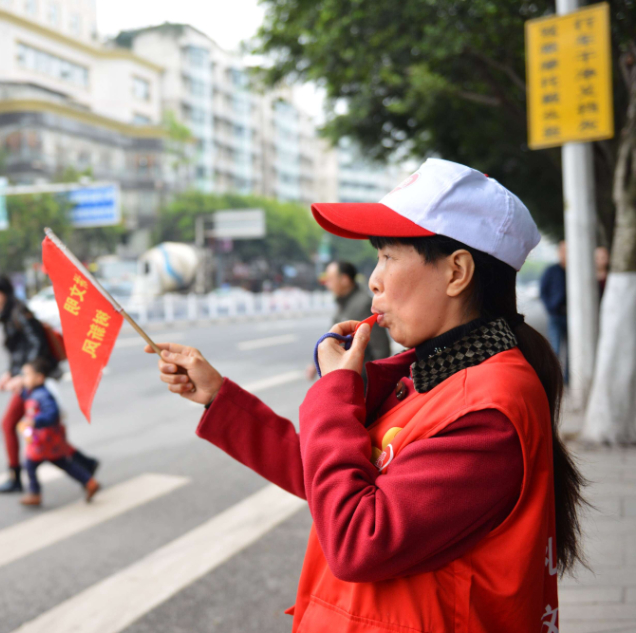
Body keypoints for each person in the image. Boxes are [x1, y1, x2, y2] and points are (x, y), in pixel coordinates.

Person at [148, 159, 584, 633]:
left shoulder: (487, 408)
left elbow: (358, 538)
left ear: (457, 272)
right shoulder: (432, 375)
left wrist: (335, 393)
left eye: (388, 257)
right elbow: (332, 479)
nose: (373, 279)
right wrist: (219, 398)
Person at [0, 275, 98, 494]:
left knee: (10, 424)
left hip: (33, 379)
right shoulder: (8, 313)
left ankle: (16, 477)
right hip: (28, 376)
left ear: (5, 293)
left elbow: (37, 345)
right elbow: (19, 351)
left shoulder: (20, 312)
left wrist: (23, 376)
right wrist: (10, 373)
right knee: (45, 433)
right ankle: (86, 463)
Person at [17, 357, 100, 506]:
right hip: (49, 441)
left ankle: (35, 494)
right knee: (63, 462)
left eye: (26, 375)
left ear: (39, 378)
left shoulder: (42, 395)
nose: (23, 378)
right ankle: (89, 482)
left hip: (43, 440)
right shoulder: (34, 392)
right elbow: (26, 395)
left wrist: (35, 421)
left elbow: (52, 413)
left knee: (30, 463)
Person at [307, 260, 392, 381]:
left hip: (361, 380)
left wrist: (375, 382)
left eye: (330, 279)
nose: (327, 283)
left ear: (344, 279)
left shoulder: (363, 304)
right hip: (347, 376)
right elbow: (331, 336)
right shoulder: (343, 303)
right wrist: (315, 363)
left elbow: (381, 348)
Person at [539, 241, 568, 381]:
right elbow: (543, 291)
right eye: (563, 250)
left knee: (573, 350)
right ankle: (554, 379)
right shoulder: (551, 271)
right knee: (555, 348)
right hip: (556, 315)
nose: (566, 254)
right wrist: (550, 307)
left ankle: (568, 379)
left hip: (574, 317)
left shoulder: (578, 270)